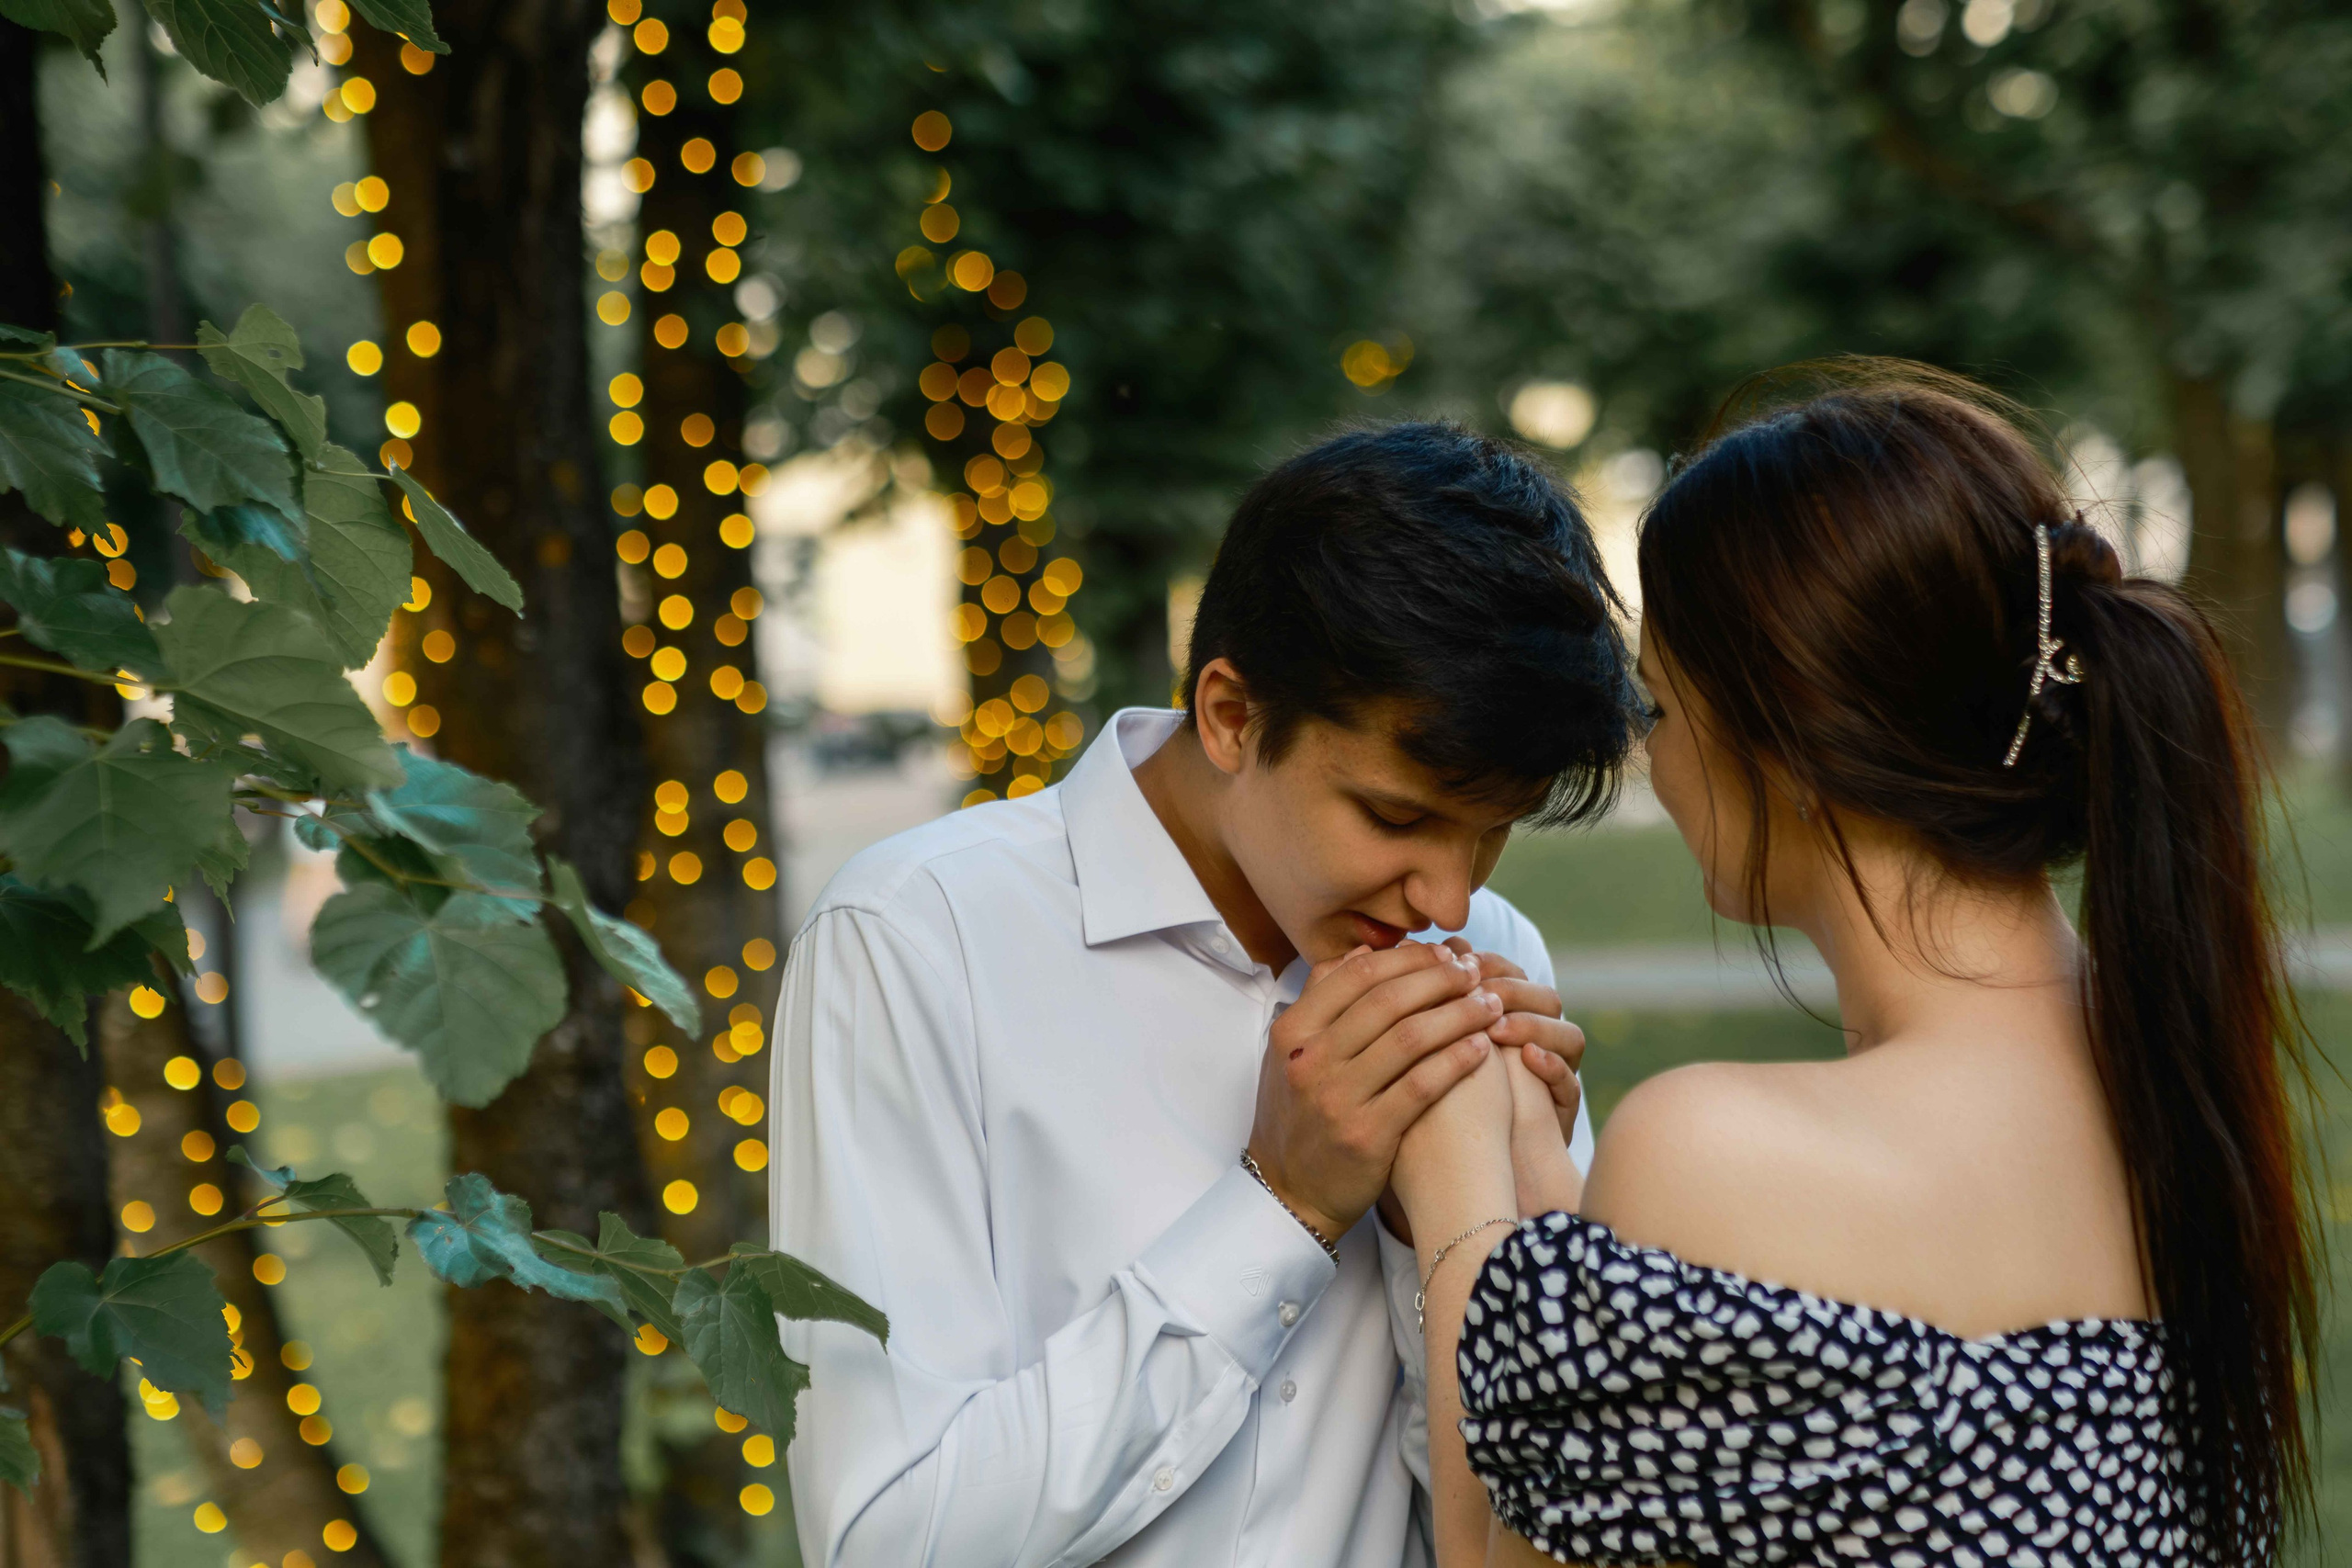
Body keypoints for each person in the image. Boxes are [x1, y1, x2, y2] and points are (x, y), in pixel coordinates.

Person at [1395, 363, 2322, 1568]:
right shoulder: (2176, 1082)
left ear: (1782, 745)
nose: (1657, 763)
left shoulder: (1710, 1151)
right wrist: (1547, 1195)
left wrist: (1460, 1181)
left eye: (1662, 710)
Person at [769, 423, 1638, 1567]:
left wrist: (1466, 1221)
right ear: (1231, 716)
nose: (1446, 896)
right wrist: (1281, 1208)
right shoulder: (916, 943)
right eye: (1396, 816)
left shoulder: (1488, 950)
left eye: (1492, 832)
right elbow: (890, 1538)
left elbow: (1520, 1530)